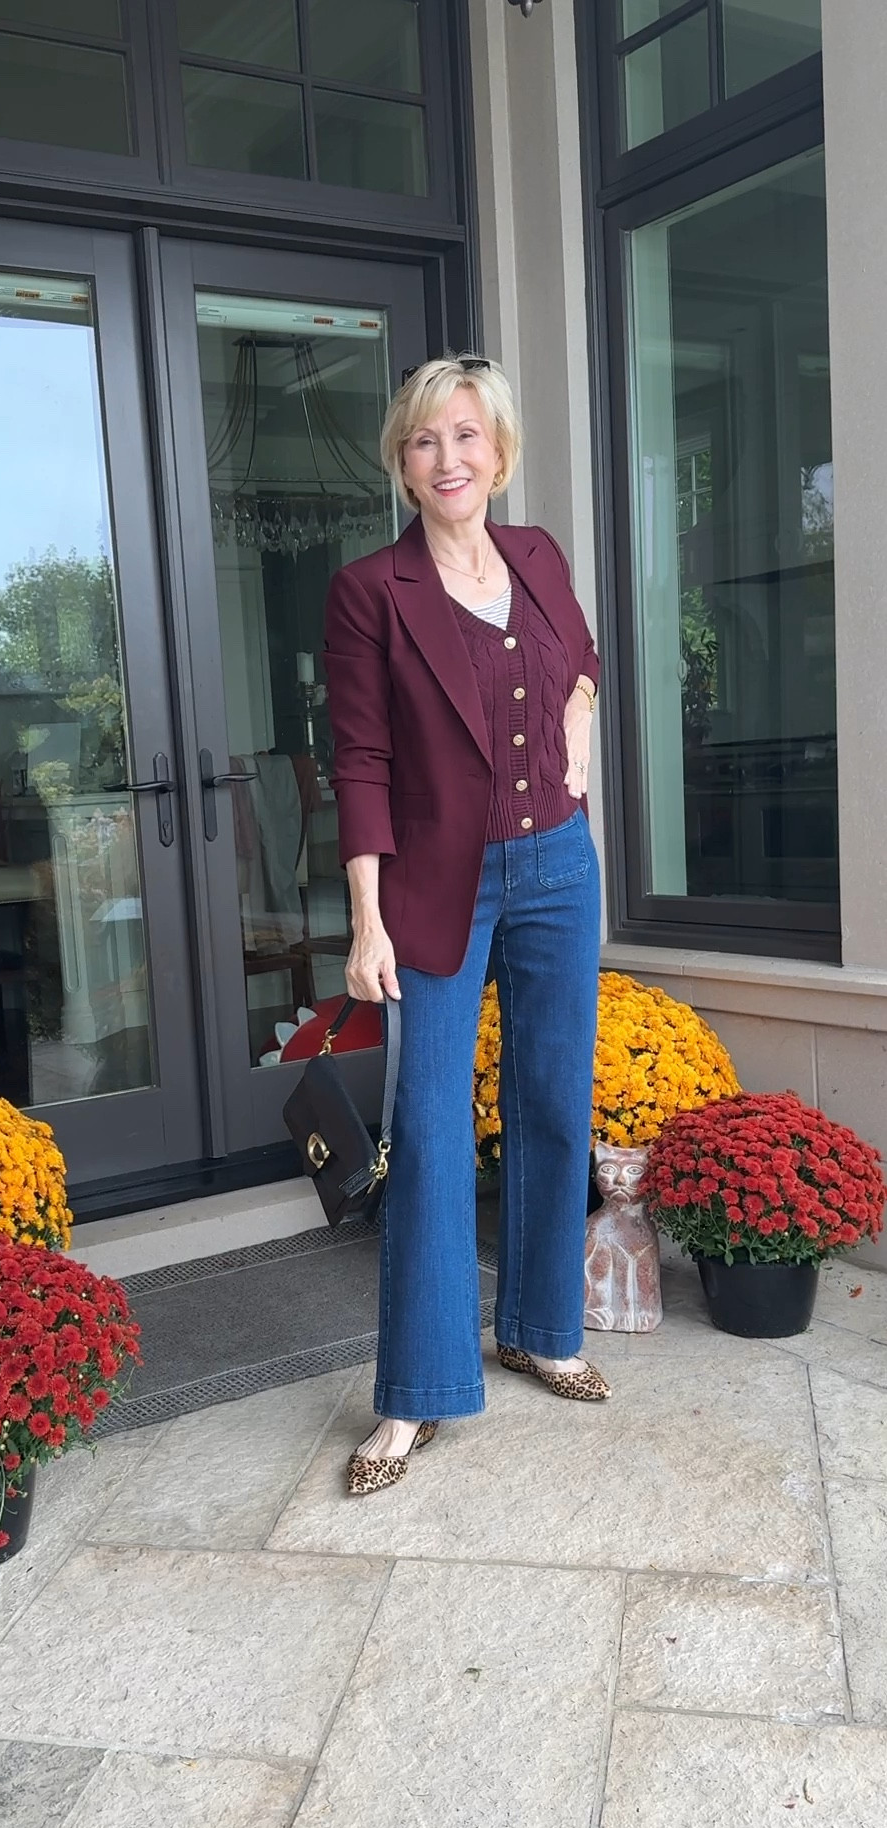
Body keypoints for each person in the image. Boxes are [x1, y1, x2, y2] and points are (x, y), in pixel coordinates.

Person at [323, 353, 608, 1498]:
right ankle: (416, 1394)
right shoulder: (368, 591)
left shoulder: (536, 556)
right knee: (433, 1127)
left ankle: (540, 1328)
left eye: (466, 437)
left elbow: (578, 660)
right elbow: (360, 759)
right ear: (402, 461)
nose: (447, 459)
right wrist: (365, 918)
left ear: (498, 452)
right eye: (424, 441)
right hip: (438, 885)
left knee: (551, 1097)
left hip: (556, 871)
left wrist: (580, 716)